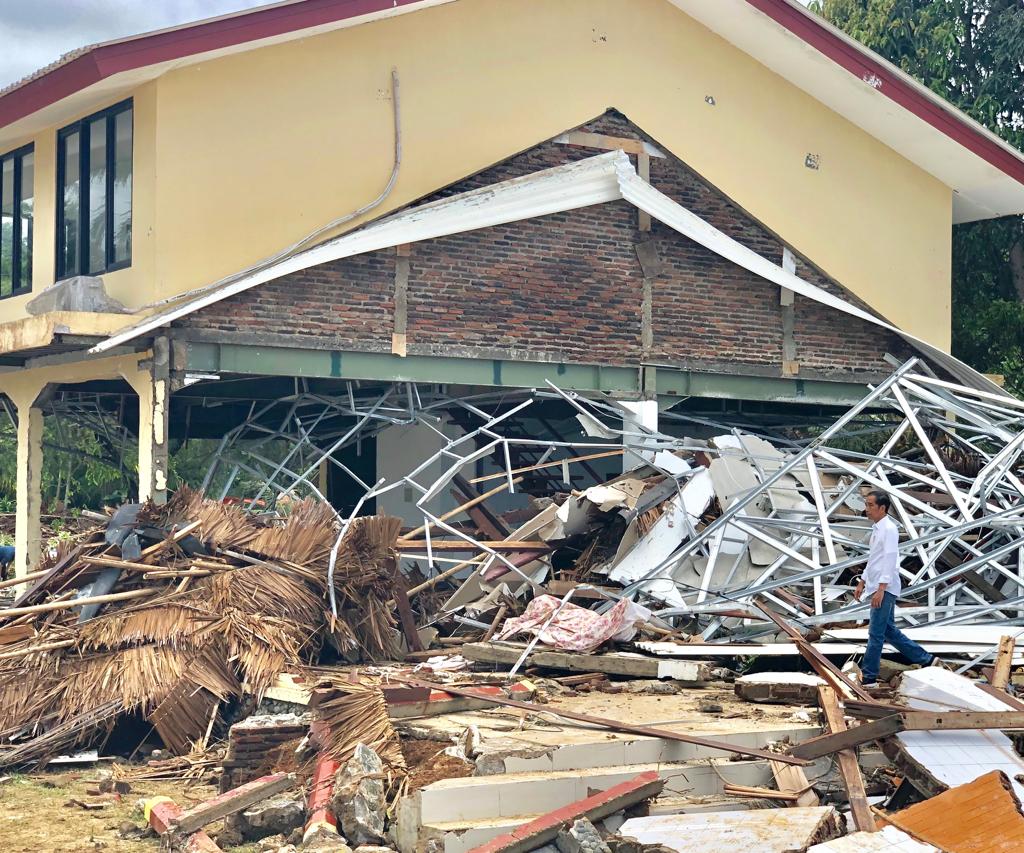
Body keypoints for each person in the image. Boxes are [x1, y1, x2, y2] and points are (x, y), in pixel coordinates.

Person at [854, 490, 935, 688]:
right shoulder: (877, 529)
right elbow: (874, 559)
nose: (867, 509)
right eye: (866, 504)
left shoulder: (889, 529)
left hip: (885, 588)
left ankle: (869, 678)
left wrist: (881, 588)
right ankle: (926, 659)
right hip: (876, 586)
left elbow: (890, 559)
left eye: (871, 505)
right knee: (888, 630)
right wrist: (862, 581)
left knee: (875, 634)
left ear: (883, 508)